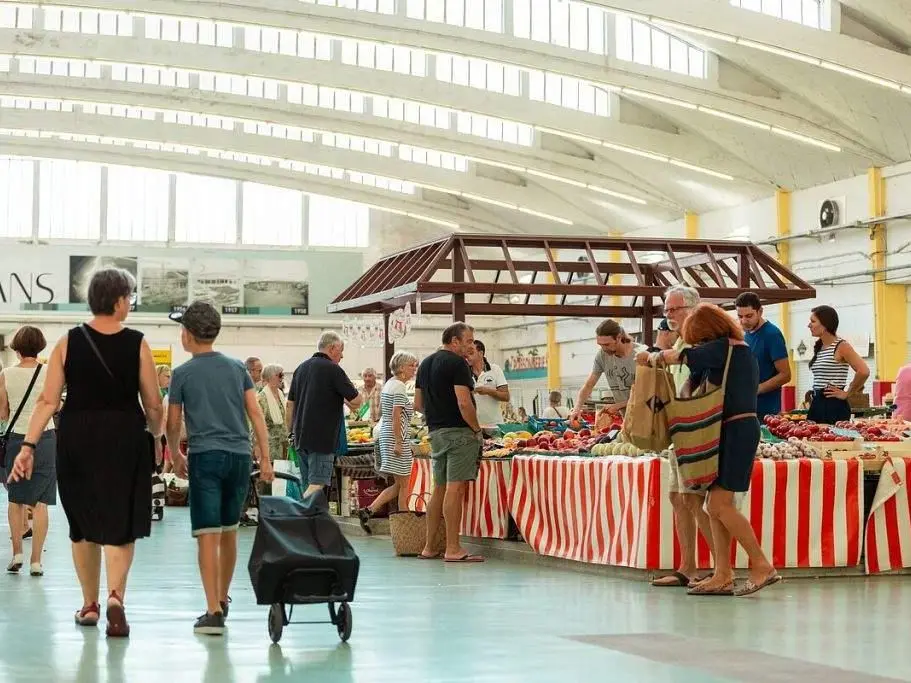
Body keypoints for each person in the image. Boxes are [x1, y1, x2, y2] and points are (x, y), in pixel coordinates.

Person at [8, 268, 163, 637]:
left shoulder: (68, 342)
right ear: (120, 300)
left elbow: (48, 400)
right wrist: (155, 437)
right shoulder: (137, 343)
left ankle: (90, 605)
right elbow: (153, 405)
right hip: (125, 435)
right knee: (120, 523)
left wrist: (27, 446)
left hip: (77, 435)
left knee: (84, 525)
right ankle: (115, 597)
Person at [647, 303, 781, 597]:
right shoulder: (728, 353)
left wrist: (653, 357)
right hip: (727, 431)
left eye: (699, 337)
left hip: (735, 432)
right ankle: (722, 573)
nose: (698, 344)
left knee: (719, 505)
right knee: (712, 504)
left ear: (709, 332)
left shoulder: (728, 348)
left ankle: (761, 565)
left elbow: (682, 355)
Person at [166, 301, 273, 636]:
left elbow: (172, 422)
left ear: (187, 335)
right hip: (240, 457)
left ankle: (213, 610)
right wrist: (266, 458)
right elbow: (256, 414)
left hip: (205, 458)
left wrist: (175, 454)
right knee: (229, 531)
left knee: (207, 535)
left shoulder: (182, 374)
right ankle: (223, 599)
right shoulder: (237, 369)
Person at [639, 285, 714, 588]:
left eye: (674, 309)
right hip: (680, 429)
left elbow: (686, 365)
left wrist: (654, 356)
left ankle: (724, 567)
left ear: (693, 308)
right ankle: (688, 567)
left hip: (698, 429)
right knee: (677, 497)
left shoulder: (701, 340)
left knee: (696, 501)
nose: (668, 314)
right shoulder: (683, 339)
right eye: (666, 310)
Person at [414, 322, 484, 563]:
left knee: (440, 489)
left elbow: (418, 404)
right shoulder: (457, 364)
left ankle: (430, 546)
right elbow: (464, 403)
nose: (471, 345)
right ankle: (453, 548)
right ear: (454, 341)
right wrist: (476, 429)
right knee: (455, 488)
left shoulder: (425, 364)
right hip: (459, 433)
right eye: (468, 341)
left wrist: (437, 415)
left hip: (436, 433)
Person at [0, 326, 55, 576]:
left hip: (16, 439)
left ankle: (17, 554)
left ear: (17, 347)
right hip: (44, 439)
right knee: (41, 502)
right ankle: (36, 562)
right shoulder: (50, 373)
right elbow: (55, 406)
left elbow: (3, 413)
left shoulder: (6, 374)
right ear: (40, 346)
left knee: (15, 500)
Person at [286, 332, 363, 500]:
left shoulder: (301, 368)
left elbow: (289, 405)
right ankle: (295, 515)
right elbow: (357, 401)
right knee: (317, 485)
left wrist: (290, 432)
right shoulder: (333, 370)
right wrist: (341, 394)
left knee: (309, 485)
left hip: (300, 438)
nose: (342, 356)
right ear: (332, 348)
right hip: (322, 439)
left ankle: (312, 524)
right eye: (341, 351)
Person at [358, 351, 419, 532]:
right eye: (411, 365)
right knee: (405, 483)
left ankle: (368, 510)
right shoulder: (398, 386)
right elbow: (396, 415)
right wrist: (399, 442)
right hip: (394, 438)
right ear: (401, 368)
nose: (414, 368)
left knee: (399, 483)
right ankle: (405, 525)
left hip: (387, 436)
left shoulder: (390, 385)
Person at [807, 305, 869, 424]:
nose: (809, 325)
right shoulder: (820, 347)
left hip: (833, 406)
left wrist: (847, 393)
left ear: (825, 324)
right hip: (817, 404)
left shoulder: (841, 346)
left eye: (813, 321)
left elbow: (864, 371)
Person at [735, 292, 791, 420]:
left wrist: (756, 389)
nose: (744, 321)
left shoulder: (772, 335)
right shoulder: (743, 334)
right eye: (740, 316)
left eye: (749, 316)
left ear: (760, 311)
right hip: (744, 409)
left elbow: (786, 375)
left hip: (765, 413)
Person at [570, 320, 639, 421]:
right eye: (600, 344)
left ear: (619, 337)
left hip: (647, 419)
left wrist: (618, 405)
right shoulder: (602, 355)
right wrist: (577, 408)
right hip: (627, 420)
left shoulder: (640, 354)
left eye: (607, 344)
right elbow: (588, 385)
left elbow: (647, 394)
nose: (603, 348)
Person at [468, 340, 509, 429]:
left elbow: (506, 396)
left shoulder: (495, 370)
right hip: (472, 427)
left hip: (494, 425)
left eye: (471, 353)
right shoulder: (463, 372)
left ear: (481, 353)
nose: (467, 356)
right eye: (466, 353)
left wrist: (488, 391)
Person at [254, 364, 289, 466]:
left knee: (282, 479)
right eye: (279, 375)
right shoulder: (261, 398)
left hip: (283, 446)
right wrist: (257, 447)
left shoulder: (280, 394)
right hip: (270, 447)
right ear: (270, 377)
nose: (282, 377)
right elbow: (256, 424)